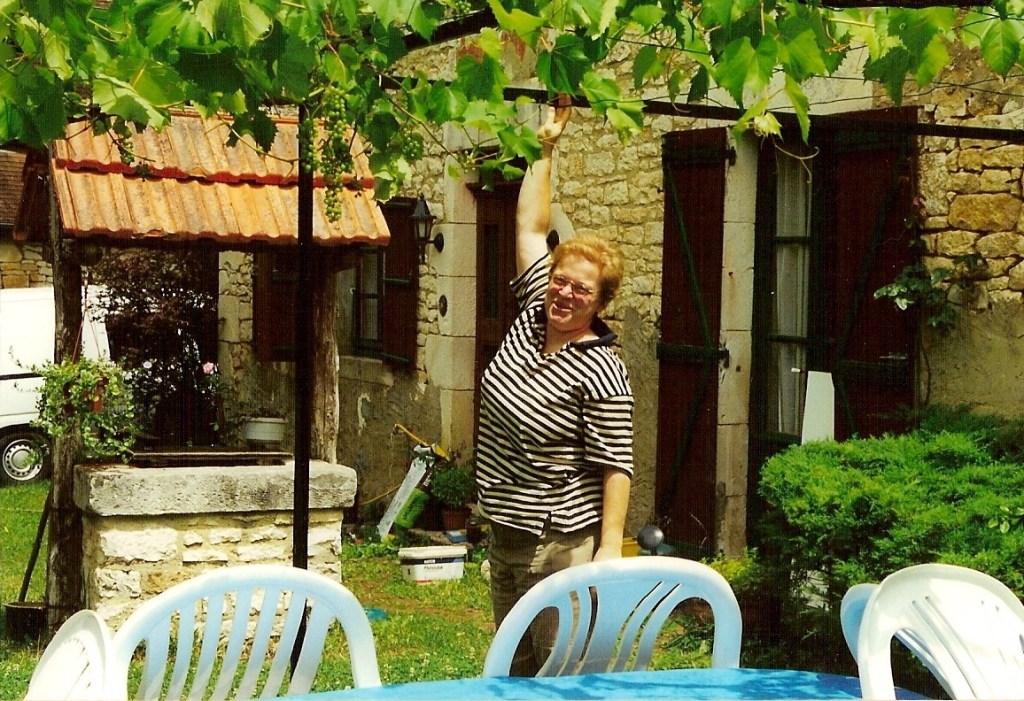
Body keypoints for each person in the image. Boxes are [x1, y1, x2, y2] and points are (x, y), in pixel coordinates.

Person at [474, 96, 634, 676]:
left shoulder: (601, 366)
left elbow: (617, 464)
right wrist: (545, 147)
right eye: (560, 281)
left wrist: (609, 548)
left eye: (581, 290)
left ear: (600, 301)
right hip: (506, 529)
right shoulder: (530, 316)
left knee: (560, 674)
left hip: (560, 540)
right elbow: (531, 226)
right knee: (512, 670)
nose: (565, 294)